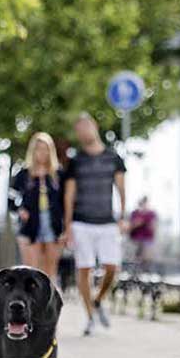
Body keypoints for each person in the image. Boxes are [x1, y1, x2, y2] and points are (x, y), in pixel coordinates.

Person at [62, 113, 126, 336]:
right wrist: (68, 224)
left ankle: (98, 300)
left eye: (86, 126)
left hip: (107, 221)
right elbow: (69, 194)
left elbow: (121, 188)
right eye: (78, 128)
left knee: (112, 267)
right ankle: (89, 316)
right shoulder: (75, 160)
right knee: (84, 268)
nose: (83, 131)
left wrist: (122, 216)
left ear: (94, 127)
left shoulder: (114, 157)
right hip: (81, 222)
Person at [11, 132, 64, 283]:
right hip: (29, 226)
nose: (42, 152)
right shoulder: (23, 174)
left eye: (45, 148)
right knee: (31, 271)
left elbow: (66, 202)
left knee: (49, 272)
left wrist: (65, 228)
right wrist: (19, 210)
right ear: (33, 151)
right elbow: (11, 199)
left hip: (53, 226)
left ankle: (47, 305)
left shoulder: (58, 174)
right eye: (38, 148)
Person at [128, 196, 157, 267]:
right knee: (134, 257)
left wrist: (147, 224)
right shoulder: (134, 213)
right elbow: (130, 226)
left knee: (147, 256)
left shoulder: (151, 214)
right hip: (135, 240)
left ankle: (146, 269)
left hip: (147, 240)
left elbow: (154, 227)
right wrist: (137, 223)